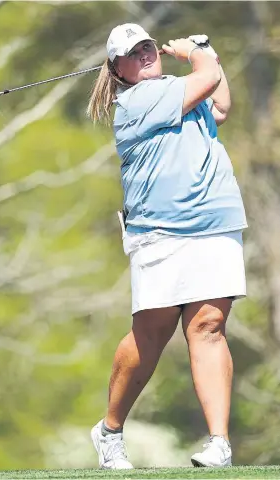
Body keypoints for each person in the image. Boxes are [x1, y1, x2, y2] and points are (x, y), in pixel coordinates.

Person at [87, 23, 247, 469]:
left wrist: (204, 53)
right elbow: (209, 78)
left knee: (208, 326)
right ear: (117, 68)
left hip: (215, 221)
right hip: (160, 231)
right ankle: (110, 430)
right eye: (131, 52)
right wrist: (196, 52)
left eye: (147, 47)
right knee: (152, 332)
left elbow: (221, 104)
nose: (143, 54)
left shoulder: (177, 91)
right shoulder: (137, 101)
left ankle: (219, 443)